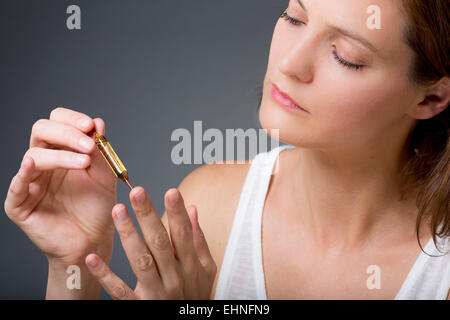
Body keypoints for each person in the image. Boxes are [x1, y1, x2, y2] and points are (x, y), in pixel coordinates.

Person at [4, 0, 449, 299]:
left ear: (430, 98)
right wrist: (71, 270)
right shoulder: (210, 208)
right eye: (294, 18)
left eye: (346, 55)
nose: (290, 65)